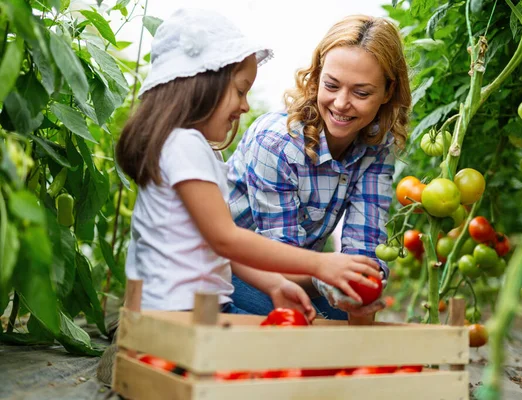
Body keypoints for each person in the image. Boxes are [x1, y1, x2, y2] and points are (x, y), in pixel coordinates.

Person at [115, 9, 381, 318]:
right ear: (202, 85)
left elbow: (218, 245)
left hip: (203, 309)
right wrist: (321, 264)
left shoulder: (199, 151)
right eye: (240, 90)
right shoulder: (183, 146)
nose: (244, 105)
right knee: (293, 350)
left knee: (299, 336)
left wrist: (272, 285)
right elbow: (226, 239)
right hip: (174, 315)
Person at [227, 14, 412, 320]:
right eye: (332, 85)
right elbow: (279, 259)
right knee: (307, 327)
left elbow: (364, 243)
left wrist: (363, 283)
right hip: (231, 266)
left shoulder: (377, 148)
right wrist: (334, 280)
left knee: (338, 320)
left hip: (300, 271)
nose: (341, 103)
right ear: (315, 79)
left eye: (361, 93)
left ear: (388, 92)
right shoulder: (278, 143)